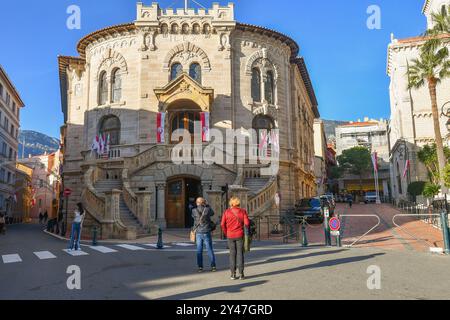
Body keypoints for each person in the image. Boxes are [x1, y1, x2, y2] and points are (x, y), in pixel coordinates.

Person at [221, 197, 250, 280]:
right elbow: (247, 223)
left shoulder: (226, 212)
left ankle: (233, 274)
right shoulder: (243, 211)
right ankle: (241, 273)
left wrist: (226, 232)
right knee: (240, 254)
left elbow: (222, 224)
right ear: (238, 203)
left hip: (230, 235)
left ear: (231, 203)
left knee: (232, 254)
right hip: (239, 234)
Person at [192, 197, 216, 273]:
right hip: (206, 231)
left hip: (198, 232)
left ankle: (200, 267)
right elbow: (212, 213)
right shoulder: (207, 209)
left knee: (199, 250)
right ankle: (213, 266)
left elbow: (194, 218)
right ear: (203, 202)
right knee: (209, 249)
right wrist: (207, 205)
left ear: (197, 202)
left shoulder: (194, 210)